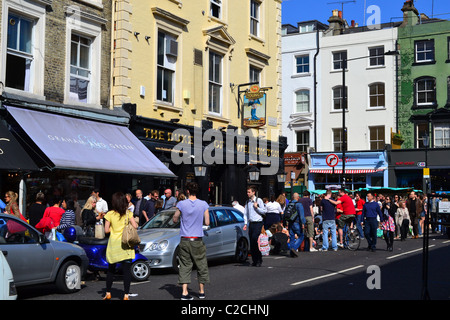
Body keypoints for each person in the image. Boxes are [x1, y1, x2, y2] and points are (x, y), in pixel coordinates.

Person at [173, 182, 210, 300]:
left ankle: (184, 292)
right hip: (197, 239)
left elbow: (175, 218)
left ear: (187, 191)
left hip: (185, 239)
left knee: (184, 265)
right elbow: (207, 222)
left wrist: (180, 220)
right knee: (201, 265)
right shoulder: (203, 204)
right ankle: (201, 291)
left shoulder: (181, 204)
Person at [102, 192, 138, 300]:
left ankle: (108, 293)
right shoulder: (128, 213)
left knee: (111, 270)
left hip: (114, 244)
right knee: (126, 271)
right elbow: (135, 226)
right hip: (125, 243)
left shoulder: (110, 214)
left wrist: (114, 229)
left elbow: (106, 230)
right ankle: (126, 295)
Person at [243, 185, 267, 267]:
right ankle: (255, 260)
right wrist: (245, 223)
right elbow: (245, 214)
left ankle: (259, 259)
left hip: (258, 223)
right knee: (252, 243)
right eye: (247, 192)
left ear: (253, 192)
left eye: (249, 192)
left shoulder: (258, 200)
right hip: (251, 223)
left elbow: (264, 211)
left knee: (254, 239)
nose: (247, 193)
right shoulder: (247, 202)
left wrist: (257, 208)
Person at [287, 193, 306, 258]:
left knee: (292, 237)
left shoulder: (289, 204)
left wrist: (284, 223)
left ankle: (292, 252)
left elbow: (285, 214)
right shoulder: (299, 205)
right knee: (301, 235)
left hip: (290, 222)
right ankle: (294, 248)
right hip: (297, 222)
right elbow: (301, 215)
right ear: (298, 197)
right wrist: (303, 223)